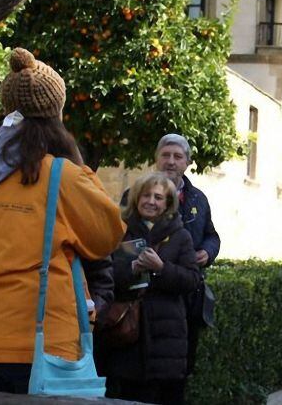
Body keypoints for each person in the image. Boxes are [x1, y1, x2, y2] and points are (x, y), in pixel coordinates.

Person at [0, 48, 124, 393]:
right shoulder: (62, 176)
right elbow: (108, 234)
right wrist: (80, 168)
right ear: (56, 116)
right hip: (47, 343)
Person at [100, 172, 200, 404]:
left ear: (167, 204)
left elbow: (192, 280)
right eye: (146, 195)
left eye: (158, 197)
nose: (151, 202)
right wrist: (132, 267)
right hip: (127, 338)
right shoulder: (121, 231)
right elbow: (105, 274)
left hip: (167, 338)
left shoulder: (180, 236)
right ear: (136, 198)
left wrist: (161, 268)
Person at [153, 133, 220, 378]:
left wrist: (207, 252)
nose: (171, 161)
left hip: (187, 296)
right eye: (166, 155)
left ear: (187, 162)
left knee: (180, 368)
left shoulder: (197, 199)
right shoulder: (139, 194)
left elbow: (212, 235)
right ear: (157, 159)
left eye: (177, 157)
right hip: (149, 296)